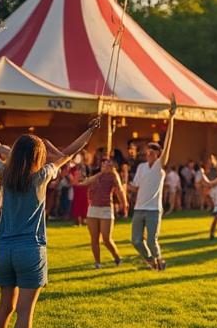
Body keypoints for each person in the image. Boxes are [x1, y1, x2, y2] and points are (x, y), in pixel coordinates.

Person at [0, 121, 99, 328]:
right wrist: (89, 131)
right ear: (38, 157)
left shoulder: (4, 173)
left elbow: (1, 157)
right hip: (30, 250)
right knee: (24, 311)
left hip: (3, 250)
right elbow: (69, 153)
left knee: (4, 307)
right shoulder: (43, 175)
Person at [130, 100, 178, 271]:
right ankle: (151, 260)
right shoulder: (141, 167)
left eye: (152, 150)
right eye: (148, 150)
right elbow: (135, 187)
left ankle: (158, 259)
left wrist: (171, 119)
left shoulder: (159, 166)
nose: (149, 152)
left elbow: (168, 143)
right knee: (136, 240)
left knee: (151, 240)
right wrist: (121, 185)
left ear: (158, 154)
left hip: (153, 210)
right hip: (139, 209)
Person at [74, 156, 127, 268]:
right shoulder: (96, 175)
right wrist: (101, 173)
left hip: (106, 209)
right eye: (104, 163)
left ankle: (117, 257)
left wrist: (124, 203)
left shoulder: (113, 175)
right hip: (93, 209)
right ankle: (97, 263)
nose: (106, 165)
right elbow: (84, 183)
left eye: (108, 163)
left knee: (106, 238)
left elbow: (120, 190)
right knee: (94, 238)